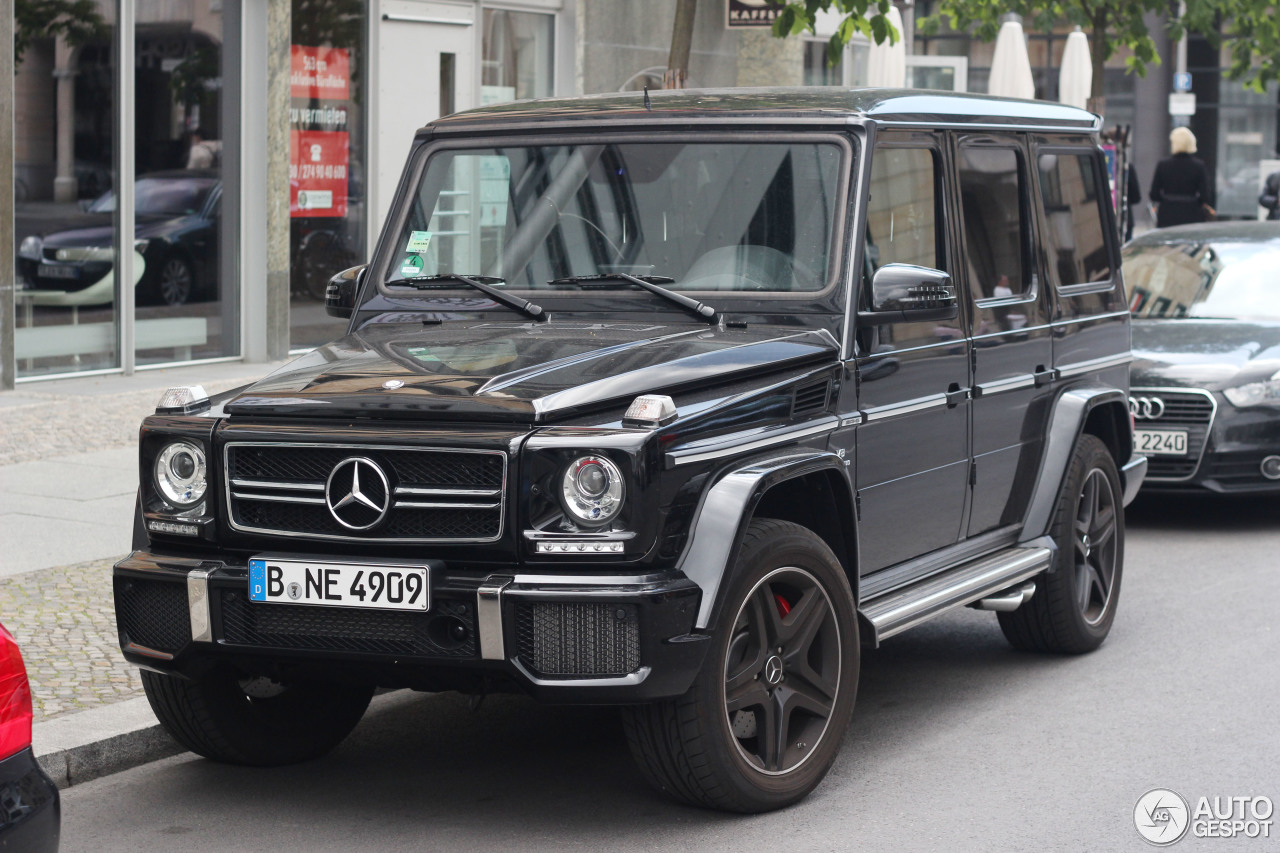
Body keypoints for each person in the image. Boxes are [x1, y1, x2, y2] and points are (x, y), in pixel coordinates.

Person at [1149, 127, 1213, 228]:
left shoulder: (1163, 165)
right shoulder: (1199, 166)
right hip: (1192, 213)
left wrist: (1166, 200)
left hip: (1167, 213)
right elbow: (1205, 195)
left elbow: (1154, 194)